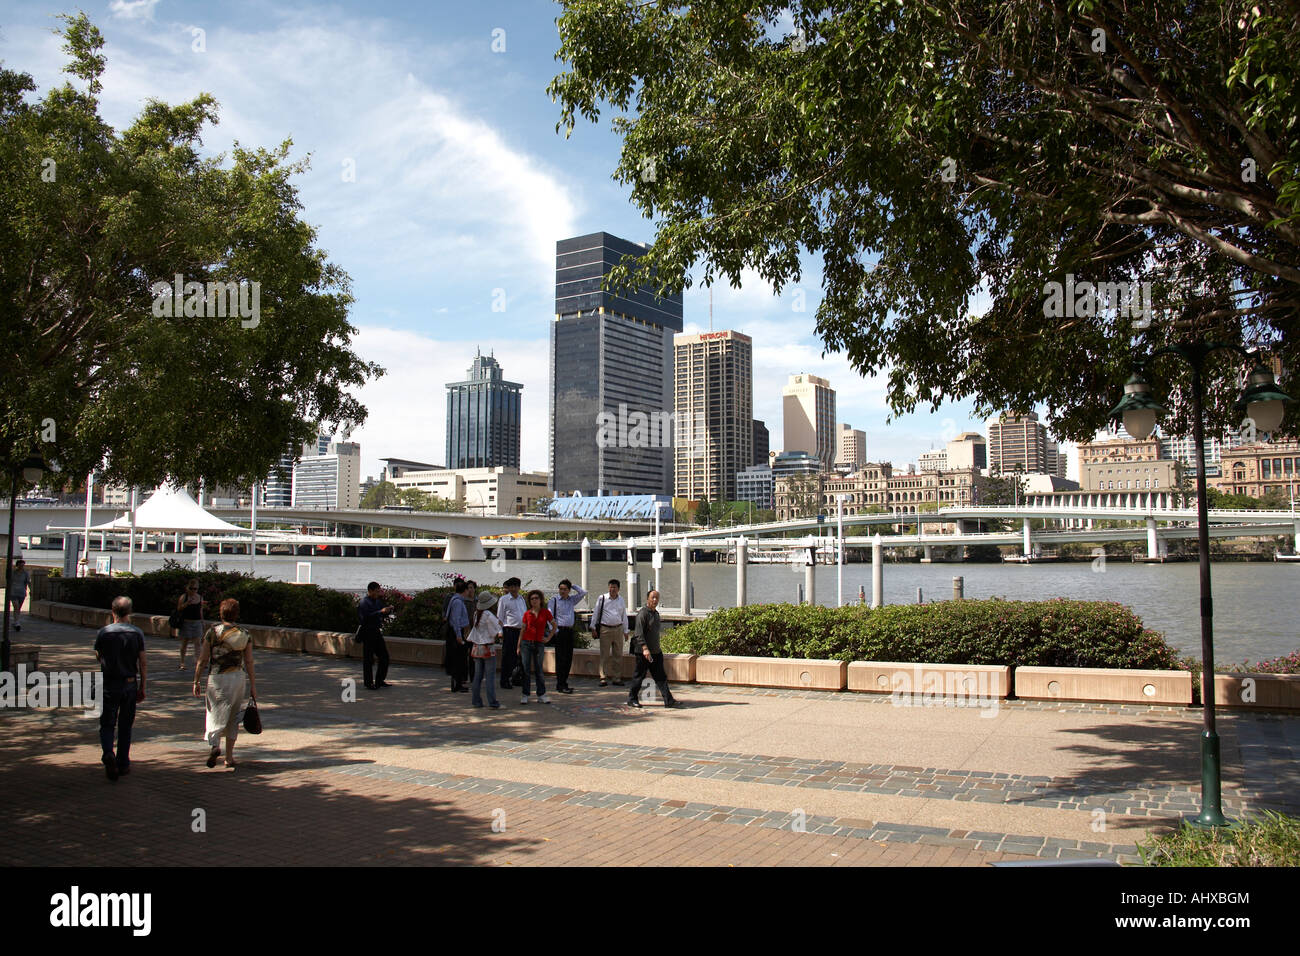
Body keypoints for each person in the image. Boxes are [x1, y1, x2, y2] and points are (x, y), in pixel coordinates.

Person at [193, 598, 257, 770]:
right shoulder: (245, 634)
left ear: (221, 613)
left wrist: (196, 680)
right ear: (236, 613)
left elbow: (203, 659)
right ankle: (229, 757)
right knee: (233, 716)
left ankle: (215, 745)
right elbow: (249, 661)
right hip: (237, 678)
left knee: (214, 712)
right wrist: (253, 685)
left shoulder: (212, 633)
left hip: (217, 677)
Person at [93, 596, 147, 780]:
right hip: (130, 683)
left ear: (112, 611)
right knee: (126, 725)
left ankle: (108, 751)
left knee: (107, 723)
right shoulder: (137, 633)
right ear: (130, 612)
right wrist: (143, 685)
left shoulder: (104, 632)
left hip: (109, 683)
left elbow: (99, 656)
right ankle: (123, 762)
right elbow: (143, 662)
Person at [627, 590, 678, 708]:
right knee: (639, 676)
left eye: (657, 598)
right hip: (643, 653)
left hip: (656, 652)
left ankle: (668, 700)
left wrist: (657, 650)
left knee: (661, 677)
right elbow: (638, 634)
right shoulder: (642, 614)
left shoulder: (656, 614)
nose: (655, 600)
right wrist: (645, 648)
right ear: (647, 599)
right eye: (652, 598)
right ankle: (632, 699)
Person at [546, 578, 586, 694]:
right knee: (561, 659)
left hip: (569, 631)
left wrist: (572, 585)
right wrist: (555, 631)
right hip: (559, 632)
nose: (562, 591)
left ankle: (564, 682)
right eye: (561, 589)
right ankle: (560, 684)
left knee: (568, 658)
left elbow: (583, 592)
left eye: (565, 589)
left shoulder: (571, 600)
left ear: (569, 590)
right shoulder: (554, 600)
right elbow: (549, 617)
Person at [518, 589, 554, 704]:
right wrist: (518, 646)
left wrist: (548, 638)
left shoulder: (545, 613)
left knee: (539, 670)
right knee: (526, 670)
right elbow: (522, 630)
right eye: (532, 599)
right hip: (526, 643)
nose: (534, 600)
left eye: (536, 598)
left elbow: (554, 625)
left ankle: (541, 694)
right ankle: (525, 694)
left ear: (540, 600)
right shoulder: (527, 614)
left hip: (539, 643)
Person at [590, 578, 629, 687]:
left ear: (618, 589)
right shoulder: (602, 598)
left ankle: (616, 678)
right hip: (605, 629)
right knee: (604, 655)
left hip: (618, 629)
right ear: (608, 588)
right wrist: (593, 628)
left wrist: (626, 631)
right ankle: (603, 677)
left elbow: (624, 615)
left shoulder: (621, 600)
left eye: (615, 587)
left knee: (618, 654)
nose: (612, 589)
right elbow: (596, 613)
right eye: (611, 587)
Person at [467, 591, 502, 708]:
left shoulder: (477, 614)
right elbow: (496, 631)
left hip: (477, 647)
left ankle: (476, 701)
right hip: (487, 647)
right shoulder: (489, 615)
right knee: (490, 677)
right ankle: (492, 702)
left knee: (477, 676)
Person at [358, 581, 394, 690]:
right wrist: (380, 612)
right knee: (368, 659)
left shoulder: (378, 602)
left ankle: (380, 680)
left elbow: (381, 613)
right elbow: (364, 618)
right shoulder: (364, 603)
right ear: (370, 591)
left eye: (379, 591)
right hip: (367, 632)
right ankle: (368, 683)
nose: (378, 593)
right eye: (377, 591)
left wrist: (388, 610)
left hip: (377, 632)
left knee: (384, 657)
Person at [496, 577, 525, 691]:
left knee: (519, 657)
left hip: (520, 631)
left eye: (515, 586)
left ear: (519, 587)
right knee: (508, 656)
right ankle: (504, 680)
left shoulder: (521, 599)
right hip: (509, 630)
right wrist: (500, 631)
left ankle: (516, 678)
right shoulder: (504, 599)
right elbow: (500, 616)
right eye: (511, 586)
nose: (513, 589)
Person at [443, 579, 471, 692]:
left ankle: (457, 683)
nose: (469, 592)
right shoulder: (458, 602)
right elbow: (456, 620)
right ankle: (457, 684)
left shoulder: (455, 599)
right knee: (459, 659)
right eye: (467, 589)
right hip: (456, 634)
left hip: (454, 633)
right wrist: (459, 635)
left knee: (458, 658)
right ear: (464, 590)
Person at [175, 579, 207, 671]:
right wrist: (187, 603)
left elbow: (200, 610)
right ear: (188, 588)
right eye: (191, 588)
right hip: (186, 622)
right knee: (184, 643)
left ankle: (198, 661)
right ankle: (182, 662)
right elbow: (179, 608)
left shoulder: (200, 598)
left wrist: (202, 621)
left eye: (195, 589)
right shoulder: (184, 597)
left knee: (197, 643)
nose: (193, 591)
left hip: (196, 622)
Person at [7, 558, 31, 631]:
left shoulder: (25, 573)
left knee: (18, 609)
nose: (21, 567)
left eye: (23, 566)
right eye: (20, 565)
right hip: (13, 592)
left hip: (22, 593)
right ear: (17, 566)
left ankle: (15, 621)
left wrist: (31, 590)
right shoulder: (13, 573)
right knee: (16, 606)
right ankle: (17, 623)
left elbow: (28, 582)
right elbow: (9, 581)